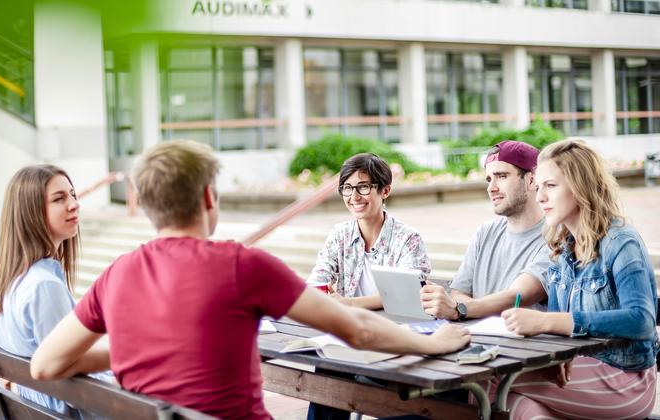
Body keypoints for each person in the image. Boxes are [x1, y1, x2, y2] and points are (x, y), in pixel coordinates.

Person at [30, 140, 471, 419]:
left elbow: (45, 364)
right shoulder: (242, 266)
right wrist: (433, 343)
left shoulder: (116, 274)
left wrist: (141, 347)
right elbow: (355, 329)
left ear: (145, 205)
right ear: (208, 198)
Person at [496, 139, 658, 419]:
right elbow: (561, 335)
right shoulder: (561, 249)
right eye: (540, 186)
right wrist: (558, 354)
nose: (540, 197)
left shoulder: (621, 241)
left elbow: (641, 320)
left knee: (494, 381)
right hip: (580, 371)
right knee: (513, 402)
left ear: (581, 186)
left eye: (551, 186)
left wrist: (548, 322)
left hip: (627, 379)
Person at [0, 164, 109, 415]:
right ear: (30, 212)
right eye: (59, 198)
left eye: (73, 195)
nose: (75, 204)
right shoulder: (43, 286)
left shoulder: (10, 283)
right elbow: (68, 377)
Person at [420, 140, 550, 321]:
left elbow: (518, 296)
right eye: (489, 179)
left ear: (532, 180)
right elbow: (459, 293)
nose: (491, 188)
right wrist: (459, 306)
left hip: (527, 347)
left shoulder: (555, 236)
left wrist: (460, 309)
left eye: (502, 176)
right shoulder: (485, 232)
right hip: (477, 341)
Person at [308, 152, 430, 310]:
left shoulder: (408, 239)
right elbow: (319, 277)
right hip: (349, 326)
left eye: (363, 187)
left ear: (385, 191)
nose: (354, 196)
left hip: (395, 327)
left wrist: (349, 303)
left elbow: (409, 294)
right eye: (347, 188)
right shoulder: (340, 235)